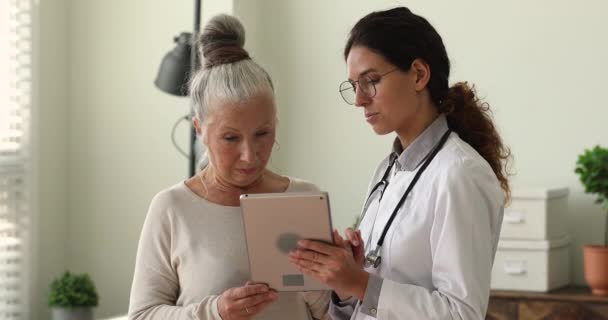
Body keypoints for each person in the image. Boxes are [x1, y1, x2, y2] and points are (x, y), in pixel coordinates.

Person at [289, 6, 511, 320]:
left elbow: (462, 313)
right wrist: (346, 282)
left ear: (419, 74)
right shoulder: (387, 171)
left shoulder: (460, 174)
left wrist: (362, 282)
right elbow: (371, 303)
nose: (359, 99)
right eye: (354, 85)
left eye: (371, 80)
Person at [128, 14, 329, 320]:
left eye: (263, 133)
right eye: (231, 138)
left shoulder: (304, 198)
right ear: (199, 129)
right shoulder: (172, 208)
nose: (250, 155)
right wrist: (215, 312)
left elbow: (336, 313)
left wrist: (323, 280)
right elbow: (142, 315)